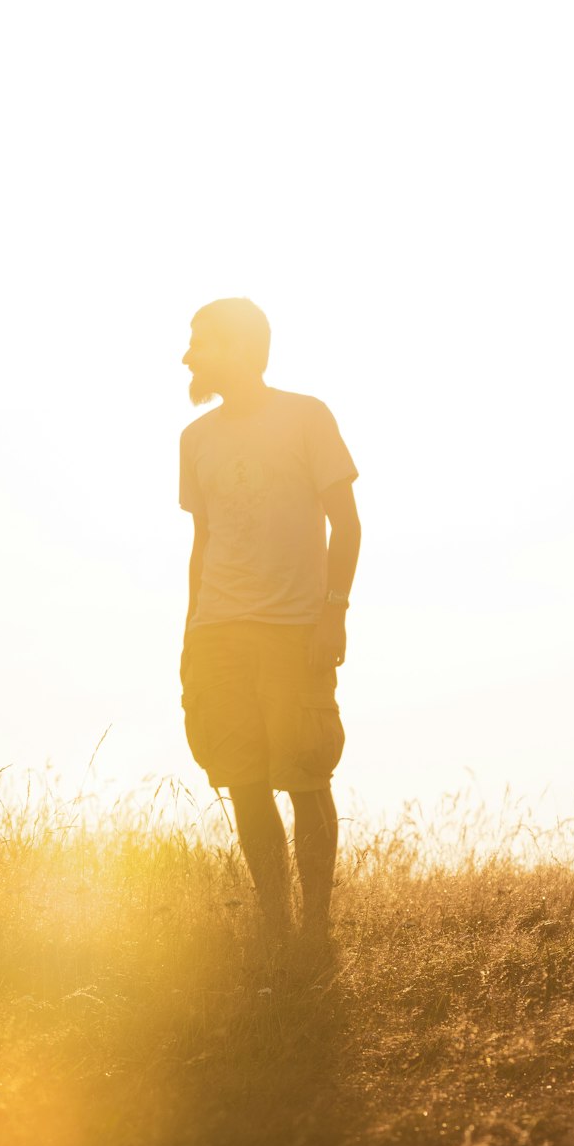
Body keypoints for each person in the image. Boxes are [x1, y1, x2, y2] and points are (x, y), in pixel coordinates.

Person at [178, 297, 361, 954]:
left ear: (241, 348)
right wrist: (190, 633)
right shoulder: (194, 439)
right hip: (217, 632)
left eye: (200, 342)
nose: (187, 355)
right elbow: (204, 542)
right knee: (244, 780)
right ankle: (277, 928)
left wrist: (333, 612)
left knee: (307, 777)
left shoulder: (306, 418)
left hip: (293, 630)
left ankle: (314, 930)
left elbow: (348, 524)